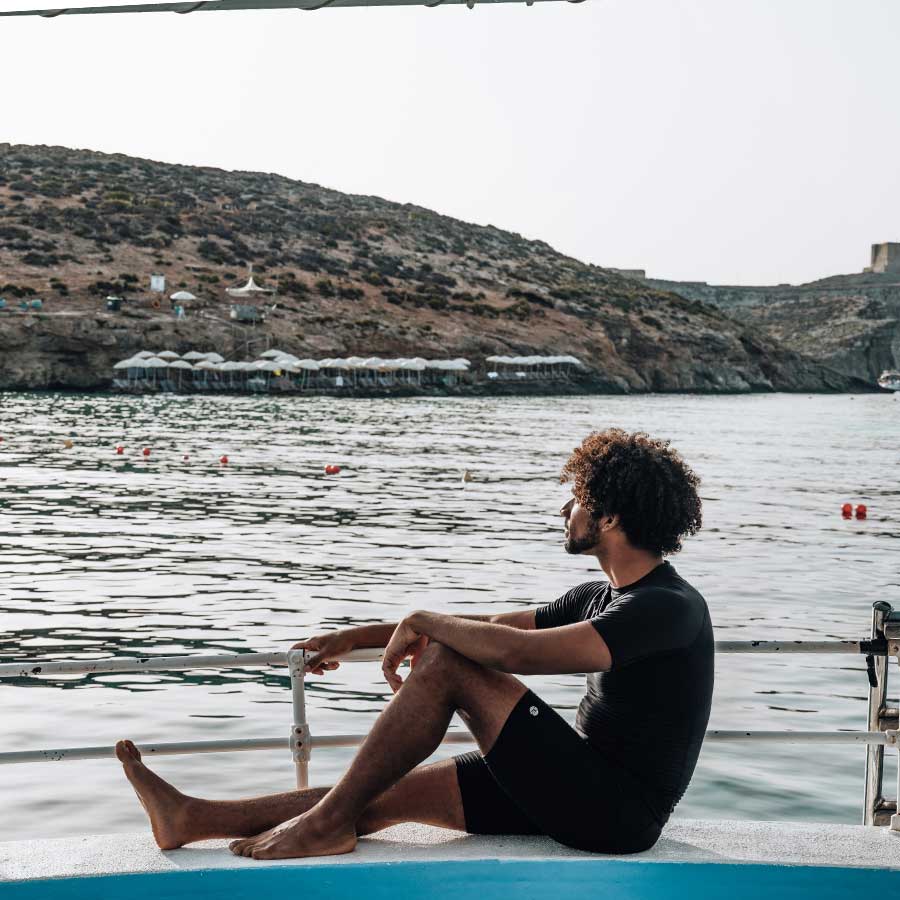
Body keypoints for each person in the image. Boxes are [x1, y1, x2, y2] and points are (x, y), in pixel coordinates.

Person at [116, 428, 712, 860]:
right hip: (576, 783)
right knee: (377, 794)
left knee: (452, 661)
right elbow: (488, 622)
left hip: (616, 814)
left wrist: (423, 620)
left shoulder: (666, 608)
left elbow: (512, 653)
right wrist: (351, 637)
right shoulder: (598, 595)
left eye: (577, 497)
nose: (565, 508)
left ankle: (323, 827)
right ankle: (190, 818)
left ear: (609, 518)